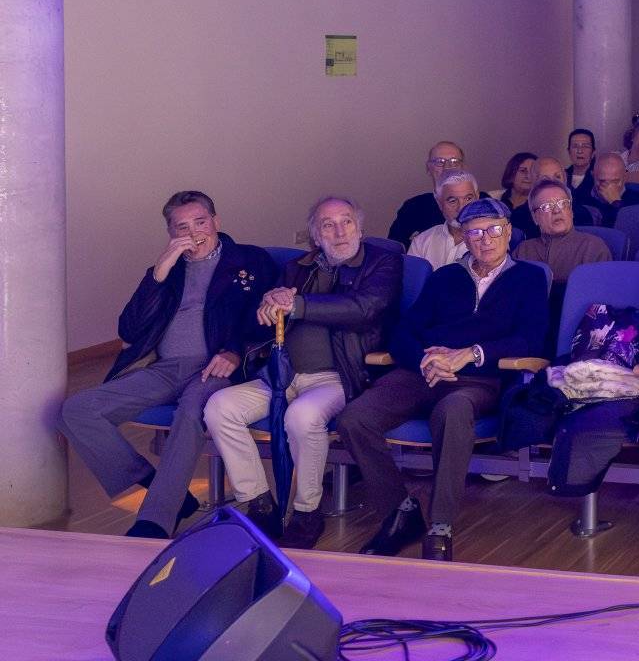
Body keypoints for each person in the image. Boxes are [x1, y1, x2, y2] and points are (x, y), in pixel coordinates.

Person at [340, 199, 548, 561]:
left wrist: (471, 353)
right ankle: (399, 512)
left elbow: (530, 340)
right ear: (464, 238)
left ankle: (440, 523)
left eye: (494, 230)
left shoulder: (529, 278)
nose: (485, 239)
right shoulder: (445, 277)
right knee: (354, 418)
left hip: (479, 379)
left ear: (509, 232)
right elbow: (405, 331)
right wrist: (426, 360)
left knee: (452, 410)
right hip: (422, 371)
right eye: (475, 233)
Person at [58, 191, 275, 539]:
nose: (194, 233)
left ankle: (156, 520)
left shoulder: (250, 260)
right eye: (182, 227)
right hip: (165, 368)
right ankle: (161, 485)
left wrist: (234, 352)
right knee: (77, 409)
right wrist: (158, 273)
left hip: (216, 368)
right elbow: (129, 329)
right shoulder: (167, 270)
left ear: (216, 222)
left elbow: (264, 318)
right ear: (172, 233)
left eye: (200, 223)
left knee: (190, 412)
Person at [205, 196, 402, 548]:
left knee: (302, 416)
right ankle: (260, 504)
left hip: (339, 377)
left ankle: (307, 511)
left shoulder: (382, 262)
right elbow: (266, 317)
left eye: (347, 222)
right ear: (315, 235)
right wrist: (268, 307)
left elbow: (364, 309)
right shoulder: (296, 267)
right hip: (282, 375)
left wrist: (296, 304)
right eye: (328, 225)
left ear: (360, 228)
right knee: (219, 407)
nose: (339, 232)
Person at [515, 178, 611, 350]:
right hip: (528, 336)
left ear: (571, 211)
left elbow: (601, 309)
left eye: (562, 204)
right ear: (535, 217)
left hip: (578, 337)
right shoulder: (523, 250)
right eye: (547, 207)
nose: (557, 210)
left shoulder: (593, 246)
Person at [388, 141, 466, 247]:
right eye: (439, 162)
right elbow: (393, 249)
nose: (447, 167)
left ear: (462, 167)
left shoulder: (481, 201)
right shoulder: (412, 207)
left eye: (454, 161)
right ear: (428, 169)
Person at [408, 170, 478, 270]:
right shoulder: (421, 242)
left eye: (468, 199)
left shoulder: (491, 243)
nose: (461, 208)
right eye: (452, 201)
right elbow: (412, 279)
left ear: (477, 198)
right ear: (439, 203)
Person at [511, 157, 595, 239]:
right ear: (533, 182)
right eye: (545, 179)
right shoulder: (519, 217)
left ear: (565, 179)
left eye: (557, 177)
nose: (553, 183)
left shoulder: (582, 214)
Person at [579, 152, 639, 228]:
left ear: (625, 177)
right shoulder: (580, 199)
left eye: (615, 182)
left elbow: (637, 229)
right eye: (602, 181)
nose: (609, 187)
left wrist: (616, 203)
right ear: (593, 176)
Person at [566, 129, 596, 200]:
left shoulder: (598, 179)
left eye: (585, 146)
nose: (579, 151)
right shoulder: (561, 177)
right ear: (569, 151)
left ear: (593, 152)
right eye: (575, 146)